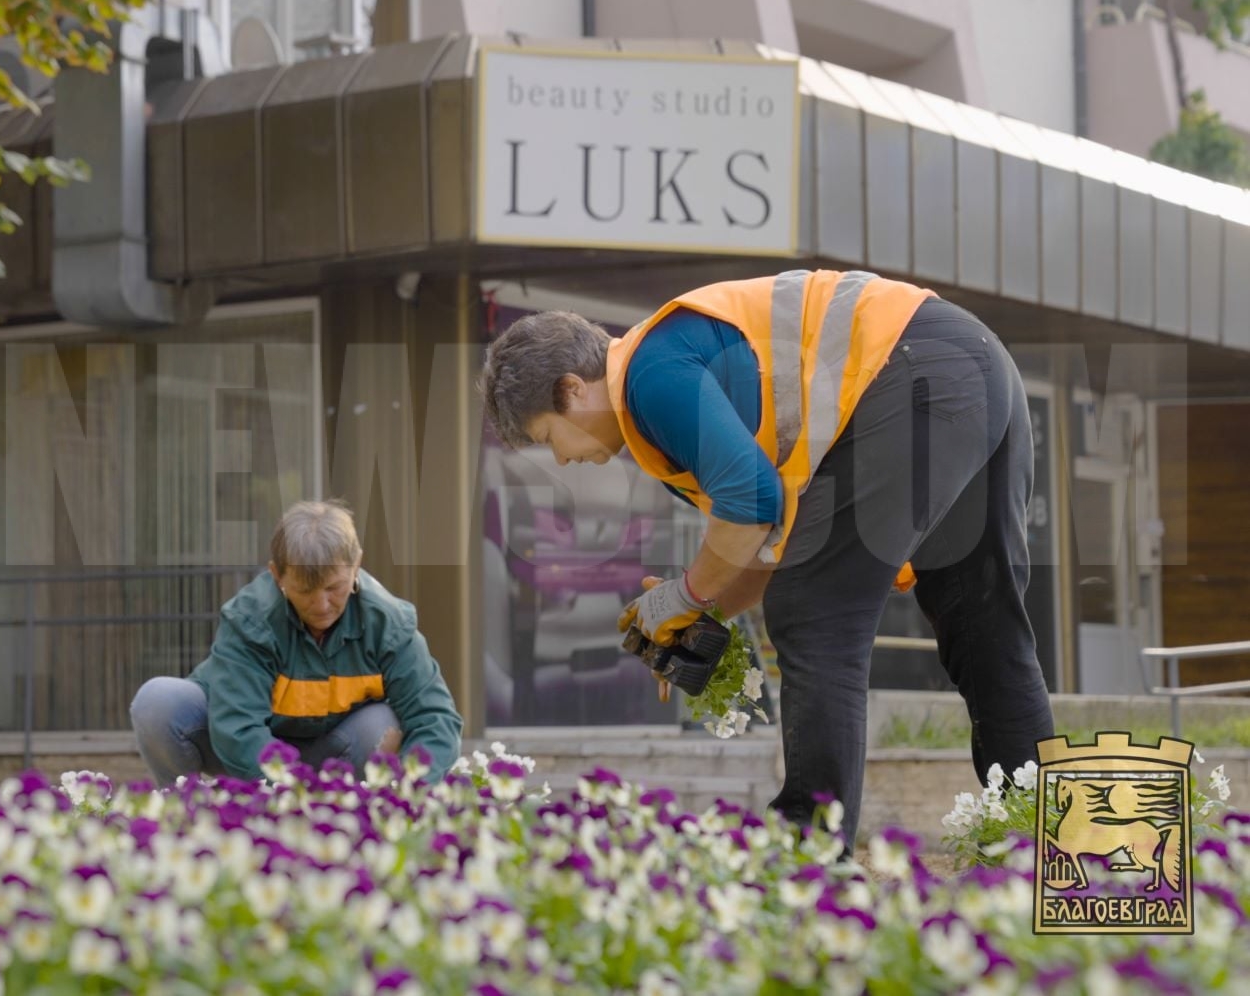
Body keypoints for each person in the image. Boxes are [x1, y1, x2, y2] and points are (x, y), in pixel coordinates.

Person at [478, 269, 1055, 843]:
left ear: (572, 389)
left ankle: (809, 843)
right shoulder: (666, 380)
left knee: (813, 615)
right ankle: (1039, 839)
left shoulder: (649, 377)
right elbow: (769, 542)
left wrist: (683, 596)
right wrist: (696, 616)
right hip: (973, 363)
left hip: (911, 369)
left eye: (550, 439)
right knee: (982, 623)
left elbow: (751, 506)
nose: (563, 458)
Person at [131, 500, 464, 786]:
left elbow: (436, 719)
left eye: (334, 587)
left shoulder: (389, 623)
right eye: (304, 591)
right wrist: (290, 793)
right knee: (158, 703)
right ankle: (185, 814)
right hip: (246, 753)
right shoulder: (249, 620)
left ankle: (360, 821)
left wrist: (413, 789)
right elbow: (238, 728)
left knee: (382, 723)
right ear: (277, 575)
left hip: (337, 749)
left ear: (356, 565)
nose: (321, 606)